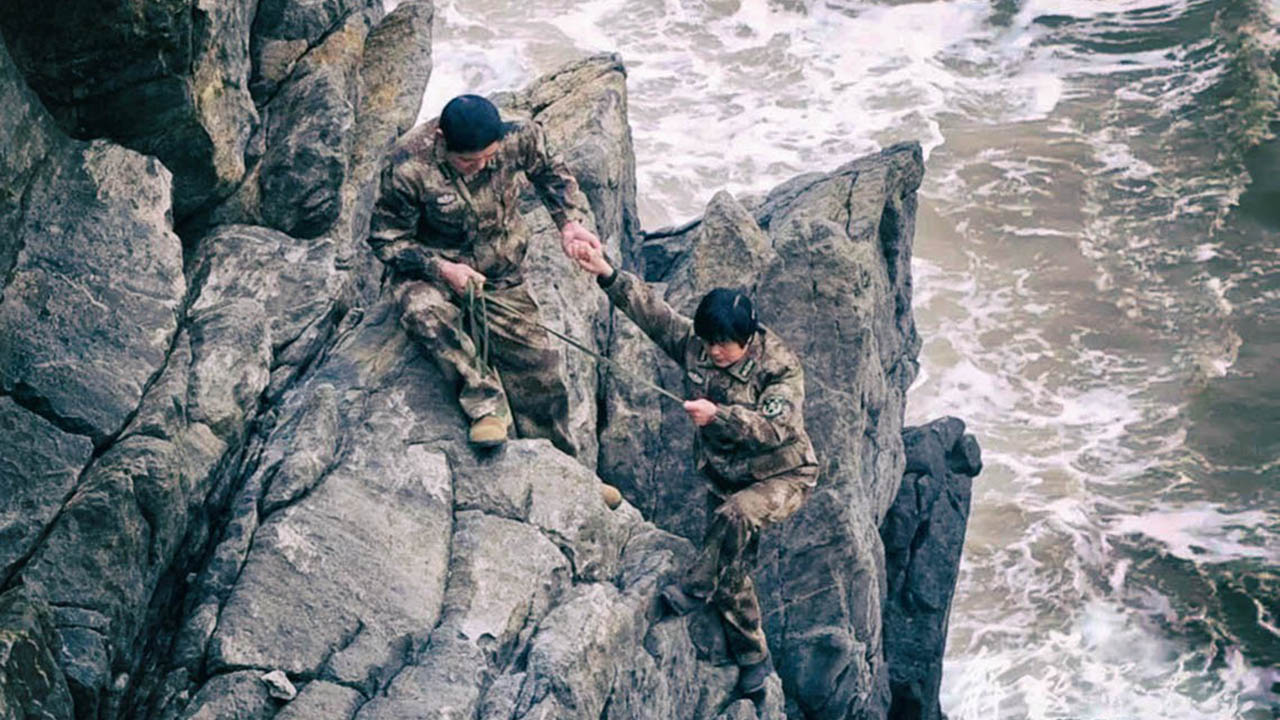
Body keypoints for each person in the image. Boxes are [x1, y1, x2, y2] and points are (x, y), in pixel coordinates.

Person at [571, 243, 819, 696]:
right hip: (727, 476)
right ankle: (753, 659)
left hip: (782, 475)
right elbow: (655, 315)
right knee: (733, 570)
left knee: (735, 518)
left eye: (724, 345)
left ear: (747, 340)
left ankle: (696, 586)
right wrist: (606, 273)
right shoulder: (700, 347)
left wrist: (719, 416)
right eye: (708, 343)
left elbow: (777, 427)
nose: (714, 352)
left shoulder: (780, 369)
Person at [367, 94, 598, 453]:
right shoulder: (407, 164)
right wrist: (442, 269)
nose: (479, 166)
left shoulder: (518, 134)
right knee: (424, 315)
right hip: (433, 270)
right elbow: (387, 239)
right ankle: (485, 406)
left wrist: (569, 223)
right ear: (443, 139)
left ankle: (561, 461)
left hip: (500, 274)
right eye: (467, 161)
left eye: (488, 158)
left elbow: (551, 173)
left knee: (541, 369)